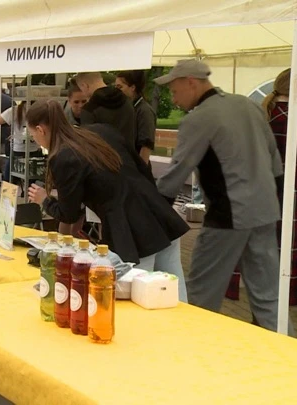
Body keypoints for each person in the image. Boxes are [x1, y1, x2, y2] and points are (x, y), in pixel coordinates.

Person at [154, 59, 289, 333]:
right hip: (265, 209)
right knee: (268, 296)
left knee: (202, 294)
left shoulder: (200, 117)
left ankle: (197, 353)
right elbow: (275, 162)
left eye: (174, 88)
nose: (173, 96)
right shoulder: (248, 105)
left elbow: (178, 171)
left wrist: (154, 207)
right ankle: (292, 360)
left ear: (191, 82)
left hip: (229, 214)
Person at [25, 100, 189, 299]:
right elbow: (141, 168)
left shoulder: (64, 156)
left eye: (33, 136)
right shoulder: (100, 131)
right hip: (159, 212)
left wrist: (44, 200)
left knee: (143, 297)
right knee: (176, 295)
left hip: (133, 231)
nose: (36, 141)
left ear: (41, 130)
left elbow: (68, 213)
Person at [257, 68, 297, 315]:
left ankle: (264, 300)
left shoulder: (261, 117)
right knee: (289, 253)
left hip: (260, 193)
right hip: (293, 196)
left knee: (264, 250)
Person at [0, 101, 42, 184]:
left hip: (18, 152)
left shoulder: (15, 110)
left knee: (8, 182)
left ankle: (3, 197)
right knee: (32, 183)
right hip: (35, 151)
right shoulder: (40, 110)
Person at [73, 72, 136, 149]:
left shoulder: (89, 109)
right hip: (128, 157)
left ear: (85, 85)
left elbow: (89, 147)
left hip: (103, 159)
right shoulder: (126, 100)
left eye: (81, 88)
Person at [116, 70, 156, 164]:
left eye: (120, 87)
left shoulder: (144, 111)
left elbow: (146, 146)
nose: (116, 91)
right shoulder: (127, 108)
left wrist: (140, 173)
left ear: (132, 87)